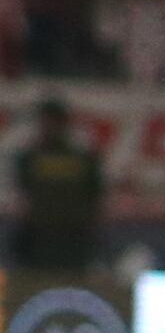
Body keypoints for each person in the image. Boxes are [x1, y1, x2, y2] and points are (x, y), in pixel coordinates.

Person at [13, 97, 106, 274]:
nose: (48, 126)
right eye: (45, 121)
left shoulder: (83, 159)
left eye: (52, 120)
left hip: (75, 238)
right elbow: (23, 196)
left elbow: (96, 196)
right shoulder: (29, 157)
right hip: (39, 237)